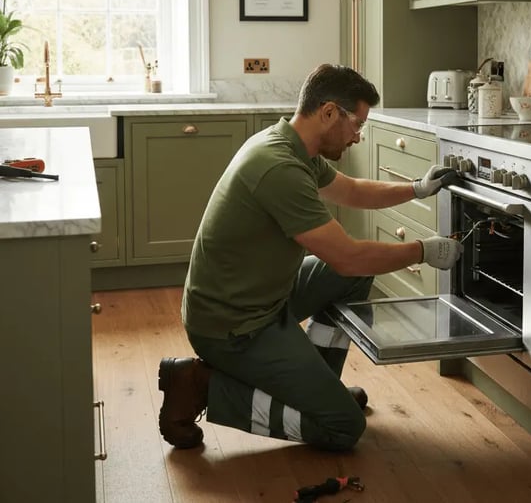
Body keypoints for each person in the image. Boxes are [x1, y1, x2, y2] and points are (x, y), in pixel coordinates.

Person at [158, 63, 463, 452]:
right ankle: (203, 387)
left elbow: (351, 191)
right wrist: (423, 251)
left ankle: (318, 386)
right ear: (329, 112)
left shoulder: (289, 144)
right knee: (343, 427)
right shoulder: (279, 167)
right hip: (233, 326)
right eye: (357, 124)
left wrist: (417, 189)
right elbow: (349, 257)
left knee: (349, 279)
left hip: (260, 293)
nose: (358, 137)